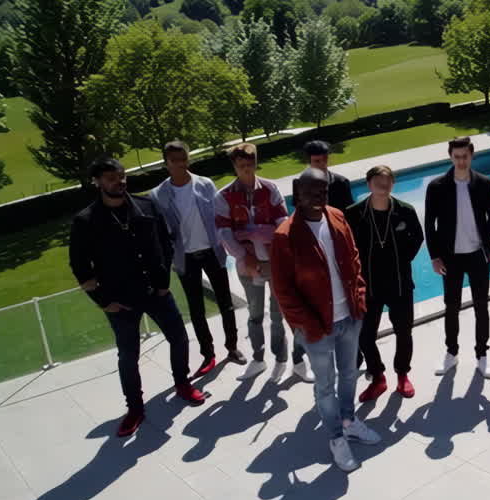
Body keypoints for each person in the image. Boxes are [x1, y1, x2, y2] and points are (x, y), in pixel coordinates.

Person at [69, 157, 206, 437]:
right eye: (110, 178)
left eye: (121, 176)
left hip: (156, 292)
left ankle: (182, 383)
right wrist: (104, 301)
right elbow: (80, 267)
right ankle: (135, 408)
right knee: (128, 357)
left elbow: (165, 243)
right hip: (119, 301)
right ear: (97, 182)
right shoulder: (85, 221)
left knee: (179, 337)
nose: (118, 181)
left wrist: (164, 281)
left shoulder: (146, 206)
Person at [270, 168, 380, 472]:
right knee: (325, 384)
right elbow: (283, 289)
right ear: (297, 192)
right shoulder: (285, 235)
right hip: (317, 326)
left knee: (348, 374)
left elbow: (354, 257)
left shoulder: (336, 216)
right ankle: (335, 439)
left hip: (349, 317)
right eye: (311, 192)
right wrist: (305, 324)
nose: (318, 198)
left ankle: (349, 421)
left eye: (323, 192)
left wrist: (359, 296)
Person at [215, 143, 311, 384]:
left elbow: (282, 226)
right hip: (247, 265)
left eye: (250, 165)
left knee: (283, 314)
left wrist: (253, 231)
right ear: (234, 167)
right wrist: (245, 254)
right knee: (255, 315)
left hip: (275, 263)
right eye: (241, 166)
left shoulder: (270, 189)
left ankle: (292, 361)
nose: (246, 170)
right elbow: (225, 234)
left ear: (256, 163)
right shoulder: (223, 196)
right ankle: (258, 359)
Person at [150, 141, 245, 378]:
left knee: (226, 303)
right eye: (175, 160)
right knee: (197, 310)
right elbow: (159, 231)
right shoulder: (158, 195)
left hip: (212, 252)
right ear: (166, 163)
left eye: (184, 158)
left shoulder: (205, 184)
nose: (181, 164)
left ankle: (232, 347)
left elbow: (220, 217)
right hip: (186, 258)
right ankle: (208, 354)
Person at [345, 165, 424, 402]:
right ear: (368, 184)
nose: (383, 186)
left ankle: (402, 375)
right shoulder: (354, 213)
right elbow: (346, 245)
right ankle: (378, 376)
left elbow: (417, 238)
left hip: (399, 282)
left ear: (393, 184)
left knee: (404, 331)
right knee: (365, 335)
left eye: (387, 181)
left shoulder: (405, 211)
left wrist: (402, 259)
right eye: (378, 181)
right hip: (367, 285)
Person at [424, 137, 490, 378]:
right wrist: (435, 256)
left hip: (477, 255)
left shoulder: (485, 183)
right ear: (450, 157)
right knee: (451, 306)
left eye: (464, 156)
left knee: (481, 307)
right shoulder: (436, 186)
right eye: (456, 156)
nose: (460, 160)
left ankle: (482, 355)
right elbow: (429, 224)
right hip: (450, 258)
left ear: (471, 155)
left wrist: (486, 244)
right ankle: (451, 353)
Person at [296, 139, 355, 211]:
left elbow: (351, 213)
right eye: (317, 161)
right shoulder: (301, 186)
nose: (323, 164)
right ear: (309, 162)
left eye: (325, 159)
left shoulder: (342, 183)